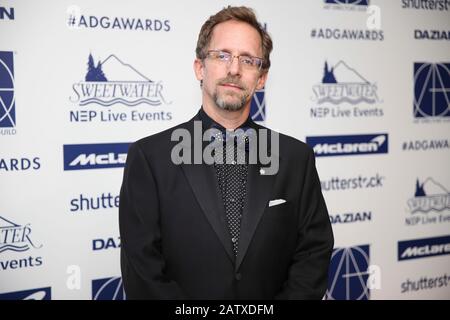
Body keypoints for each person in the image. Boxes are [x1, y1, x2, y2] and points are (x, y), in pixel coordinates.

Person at [119, 5, 334, 300]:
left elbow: (313, 253)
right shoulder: (150, 158)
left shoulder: (296, 159)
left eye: (248, 60)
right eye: (222, 55)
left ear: (261, 78)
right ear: (200, 67)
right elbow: (143, 270)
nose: (234, 69)